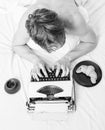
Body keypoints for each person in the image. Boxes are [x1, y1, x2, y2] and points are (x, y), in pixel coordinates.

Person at [12, 0, 97, 81]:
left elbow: (91, 41)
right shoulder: (27, 23)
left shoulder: (74, 19)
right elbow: (16, 45)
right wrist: (36, 60)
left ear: (64, 29)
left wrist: (67, 58)